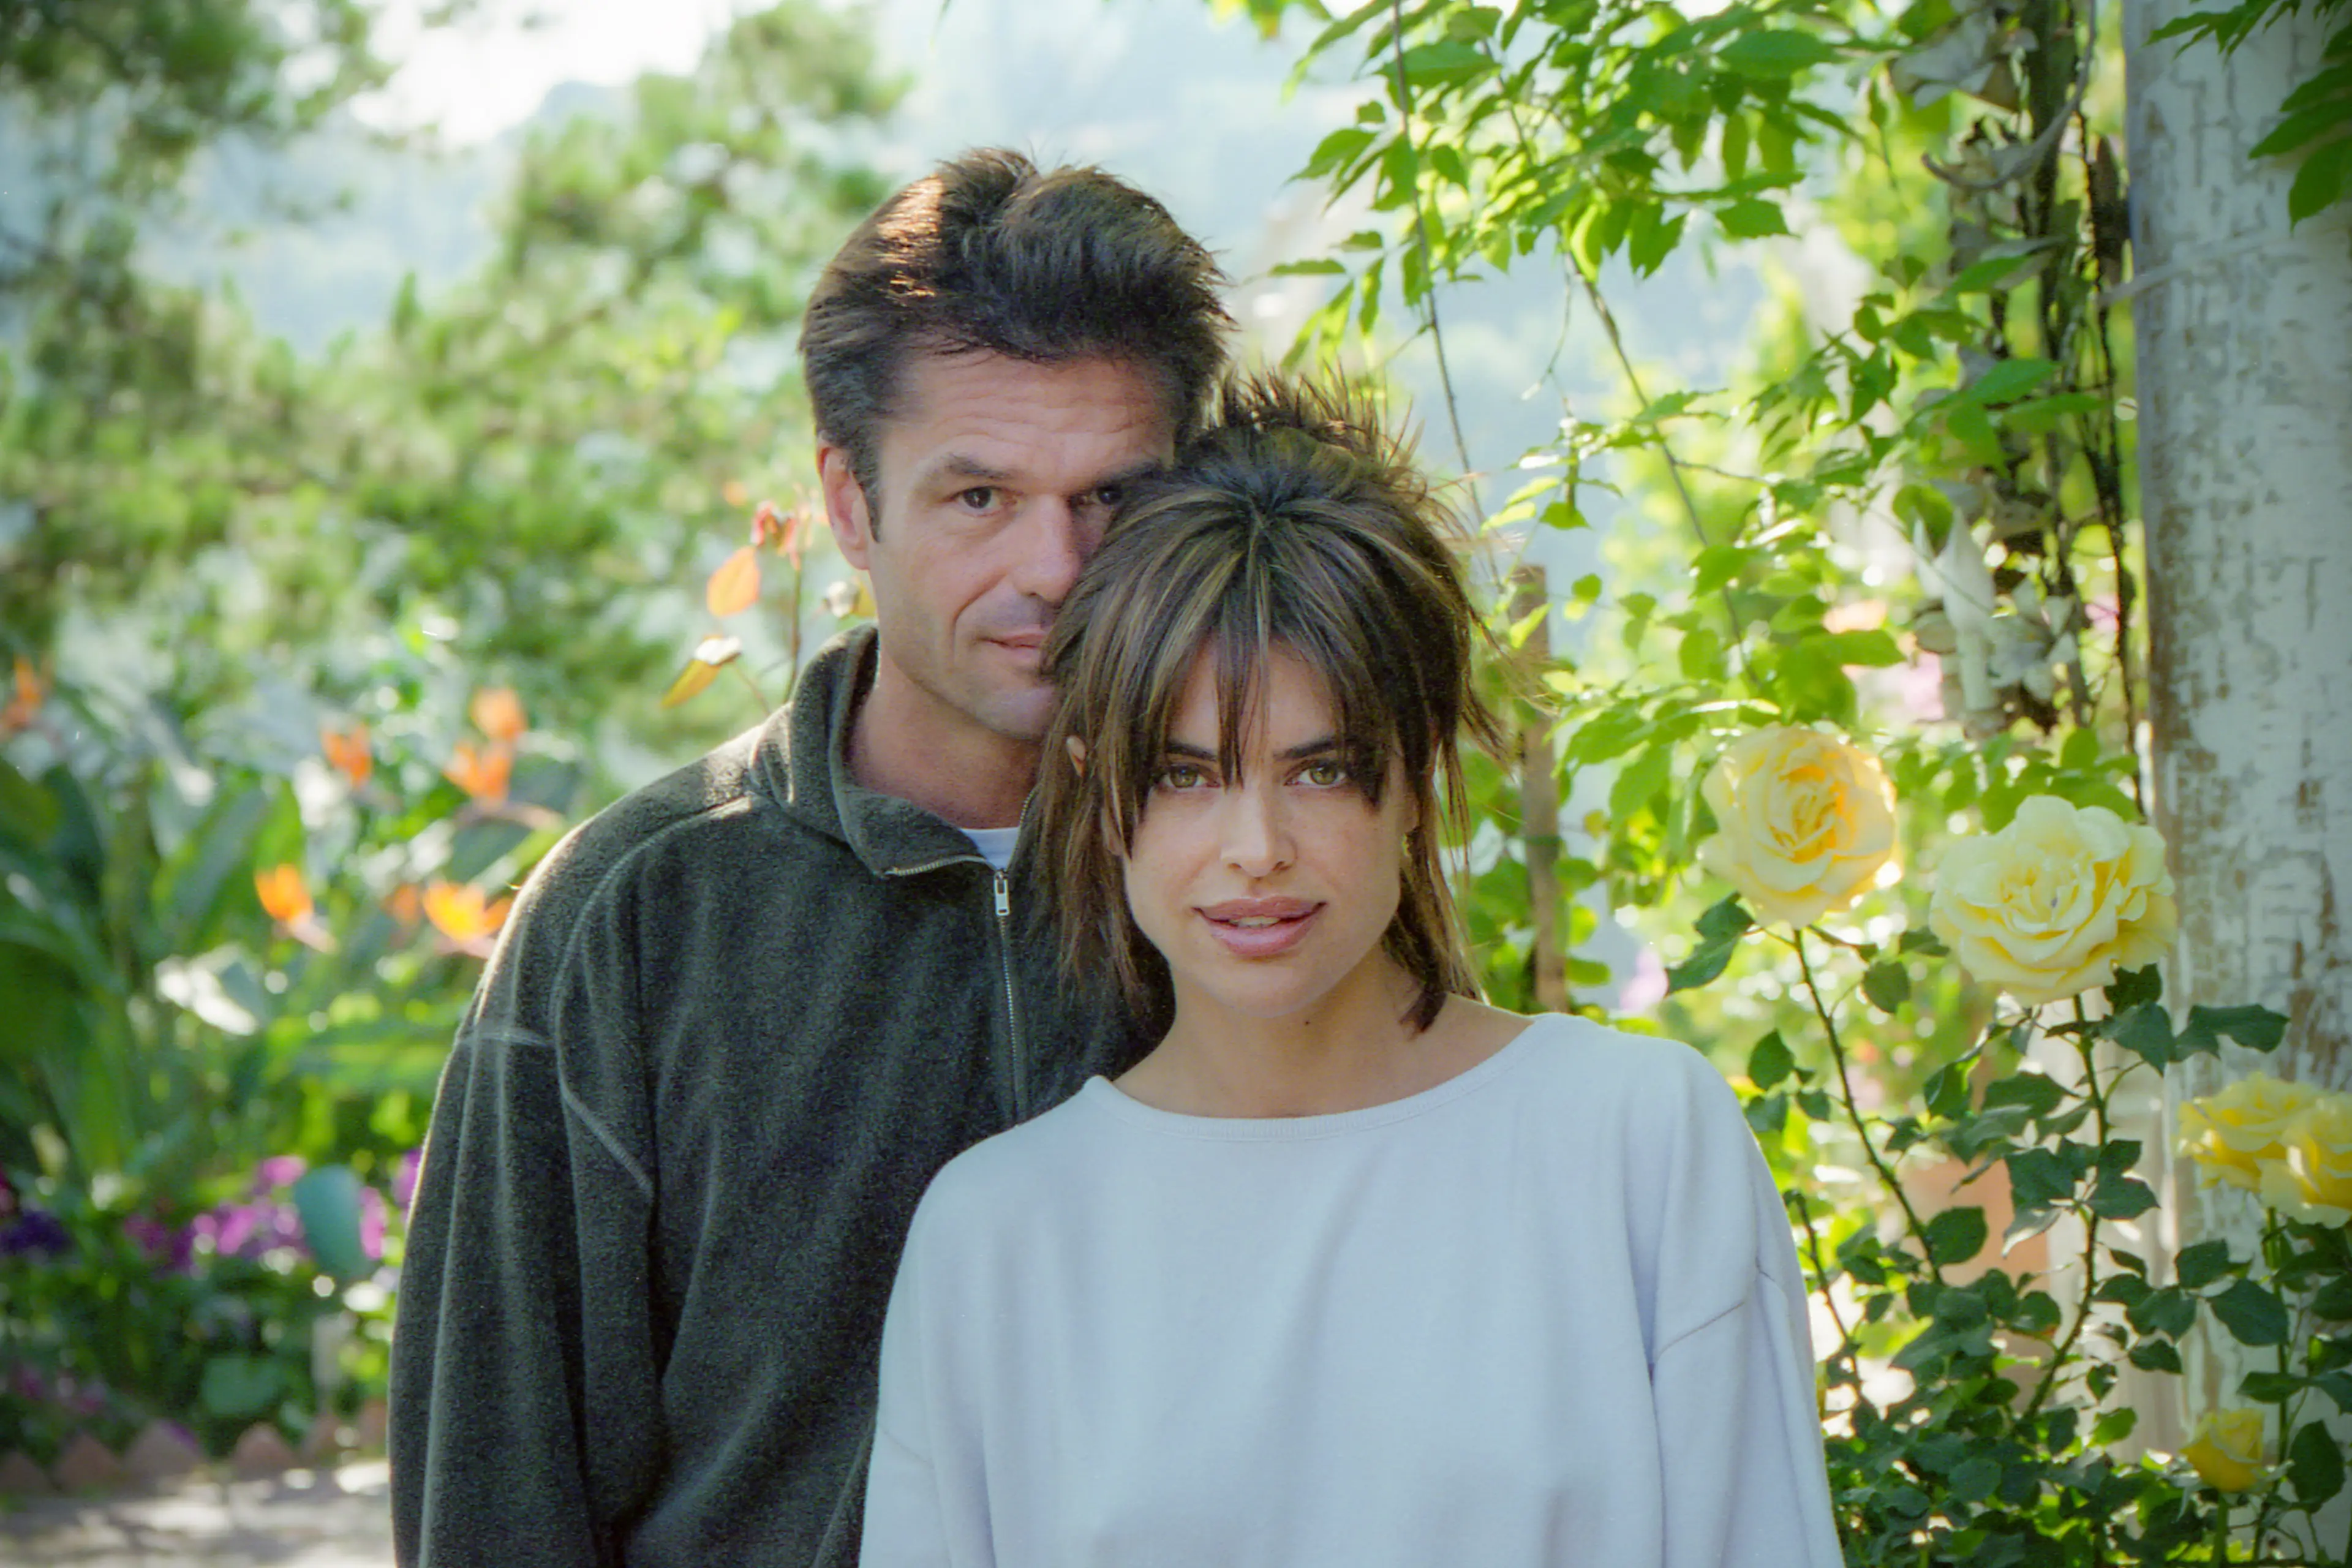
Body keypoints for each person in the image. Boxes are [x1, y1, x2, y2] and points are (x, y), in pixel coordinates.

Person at [388, 149, 1230, 1567]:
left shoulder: (1263, 892)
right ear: (849, 504)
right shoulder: (633, 919)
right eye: (979, 497)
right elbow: (495, 1488)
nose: (1056, 568)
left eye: (1111, 498)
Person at [858, 377, 1844, 1567]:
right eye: (1187, 775)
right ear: (1100, 792)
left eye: (1320, 770)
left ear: (1416, 777)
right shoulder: (997, 1238)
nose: (1257, 847)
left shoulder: (1638, 1145)